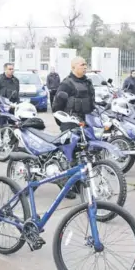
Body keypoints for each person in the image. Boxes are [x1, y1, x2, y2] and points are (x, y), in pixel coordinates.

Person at [52, 56, 95, 200]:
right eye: (82, 64)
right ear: (73, 67)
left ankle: (77, 183)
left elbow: (92, 103)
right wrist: (64, 123)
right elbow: (56, 106)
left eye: (85, 64)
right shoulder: (66, 84)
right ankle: (65, 184)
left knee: (83, 154)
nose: (85, 66)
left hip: (84, 121)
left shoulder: (88, 83)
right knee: (69, 156)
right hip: (69, 123)